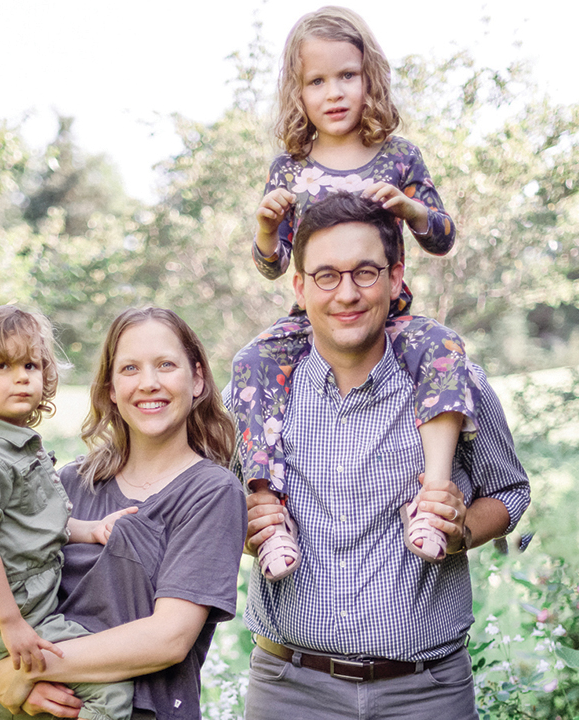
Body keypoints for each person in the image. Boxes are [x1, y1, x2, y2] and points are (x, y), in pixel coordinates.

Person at [233, 194, 530, 719]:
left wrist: (462, 530)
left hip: (426, 693)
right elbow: (223, 508)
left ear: (395, 279)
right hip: (289, 690)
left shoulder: (448, 379)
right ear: (299, 287)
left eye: (365, 273)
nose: (346, 293)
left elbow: (511, 491)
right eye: (326, 275)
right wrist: (249, 528)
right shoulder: (261, 393)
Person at [232, 5, 476, 580]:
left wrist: (410, 207)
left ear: (371, 79)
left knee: (443, 347)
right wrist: (267, 230)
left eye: (347, 76)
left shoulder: (399, 157)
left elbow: (442, 237)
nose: (334, 92)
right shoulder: (289, 170)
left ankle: (433, 499)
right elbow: (273, 267)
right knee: (252, 359)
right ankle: (269, 510)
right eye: (316, 81)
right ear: (298, 92)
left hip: (388, 314)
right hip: (312, 321)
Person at [0, 307, 248, 720]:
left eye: (165, 365)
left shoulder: (211, 493)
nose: (148, 383)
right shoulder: (67, 484)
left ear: (196, 379)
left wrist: (23, 671)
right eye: (129, 368)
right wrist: (17, 685)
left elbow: (168, 638)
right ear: (110, 387)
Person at [0, 305, 137, 720]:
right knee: (110, 690)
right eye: (1, 366)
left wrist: (90, 530)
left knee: (34, 700)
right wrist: (10, 624)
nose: (22, 376)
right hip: (13, 610)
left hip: (31, 606)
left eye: (31, 364)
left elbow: (34, 524)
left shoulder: (16, 446)